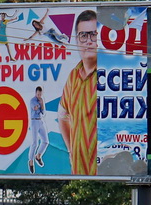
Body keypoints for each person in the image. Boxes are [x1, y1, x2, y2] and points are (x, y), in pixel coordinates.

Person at [59, 9, 99, 175]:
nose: (88, 41)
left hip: (105, 172)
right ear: (77, 40)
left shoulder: (111, 74)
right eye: (83, 35)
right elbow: (62, 115)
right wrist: (71, 150)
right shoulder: (73, 75)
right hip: (78, 172)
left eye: (93, 34)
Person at [28, 86, 49, 173]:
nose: (39, 95)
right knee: (35, 143)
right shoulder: (32, 100)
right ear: (35, 93)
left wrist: (42, 104)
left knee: (45, 141)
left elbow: (43, 113)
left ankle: (38, 156)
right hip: (34, 122)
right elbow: (36, 109)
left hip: (40, 121)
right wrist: (40, 105)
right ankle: (31, 161)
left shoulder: (41, 100)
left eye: (40, 94)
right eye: (38, 94)